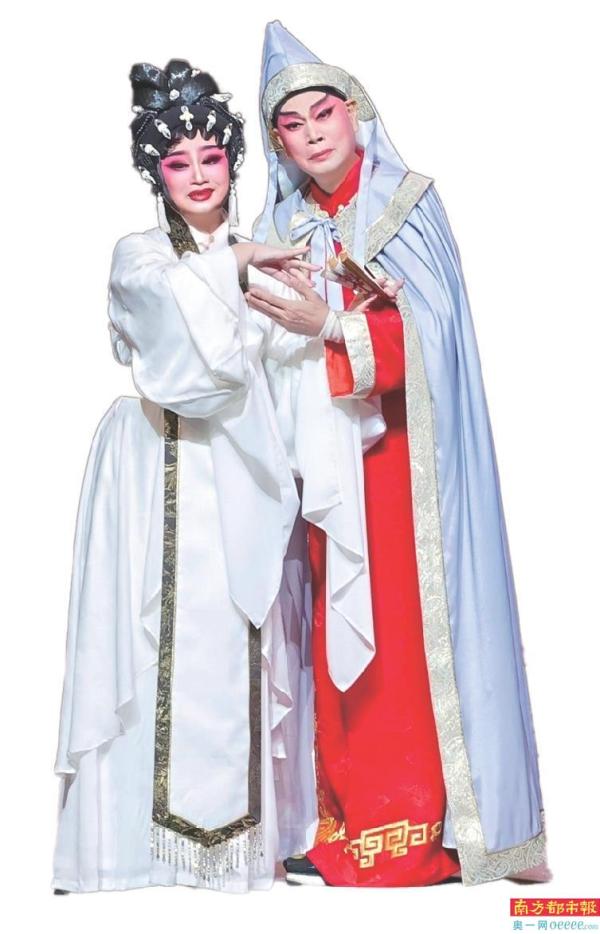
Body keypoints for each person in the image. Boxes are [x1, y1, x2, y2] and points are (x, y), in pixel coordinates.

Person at [247, 22, 550, 888]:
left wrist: (331, 325)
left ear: (357, 113)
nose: (312, 133)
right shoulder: (275, 225)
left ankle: (427, 827)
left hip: (404, 463)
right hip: (320, 465)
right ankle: (342, 821)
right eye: (292, 124)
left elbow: (438, 337)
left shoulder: (406, 205)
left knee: (406, 633)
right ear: (278, 143)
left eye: (324, 113)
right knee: (332, 632)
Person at [52, 59, 323, 894]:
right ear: (156, 174)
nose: (199, 176)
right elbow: (173, 337)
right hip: (158, 463)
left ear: (234, 162)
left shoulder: (262, 258)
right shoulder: (140, 256)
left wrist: (324, 318)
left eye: (212, 157)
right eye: (178, 162)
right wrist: (238, 262)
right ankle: (129, 849)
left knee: (239, 637)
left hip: (239, 470)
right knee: (147, 640)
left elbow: (285, 367)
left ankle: (246, 847)